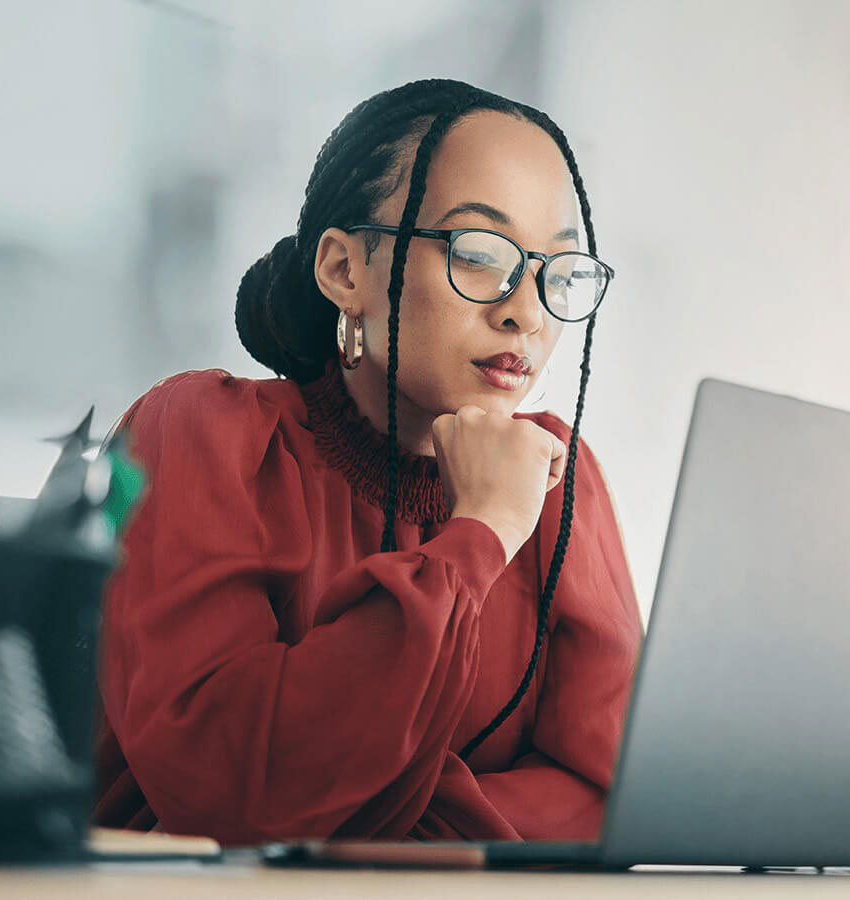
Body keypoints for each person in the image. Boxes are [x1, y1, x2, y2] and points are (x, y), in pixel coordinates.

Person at [90, 79, 641, 846]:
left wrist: (371, 816)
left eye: (559, 270)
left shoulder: (557, 475)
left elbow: (610, 798)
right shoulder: (200, 432)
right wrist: (481, 530)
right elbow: (228, 792)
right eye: (479, 254)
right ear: (346, 272)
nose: (526, 311)